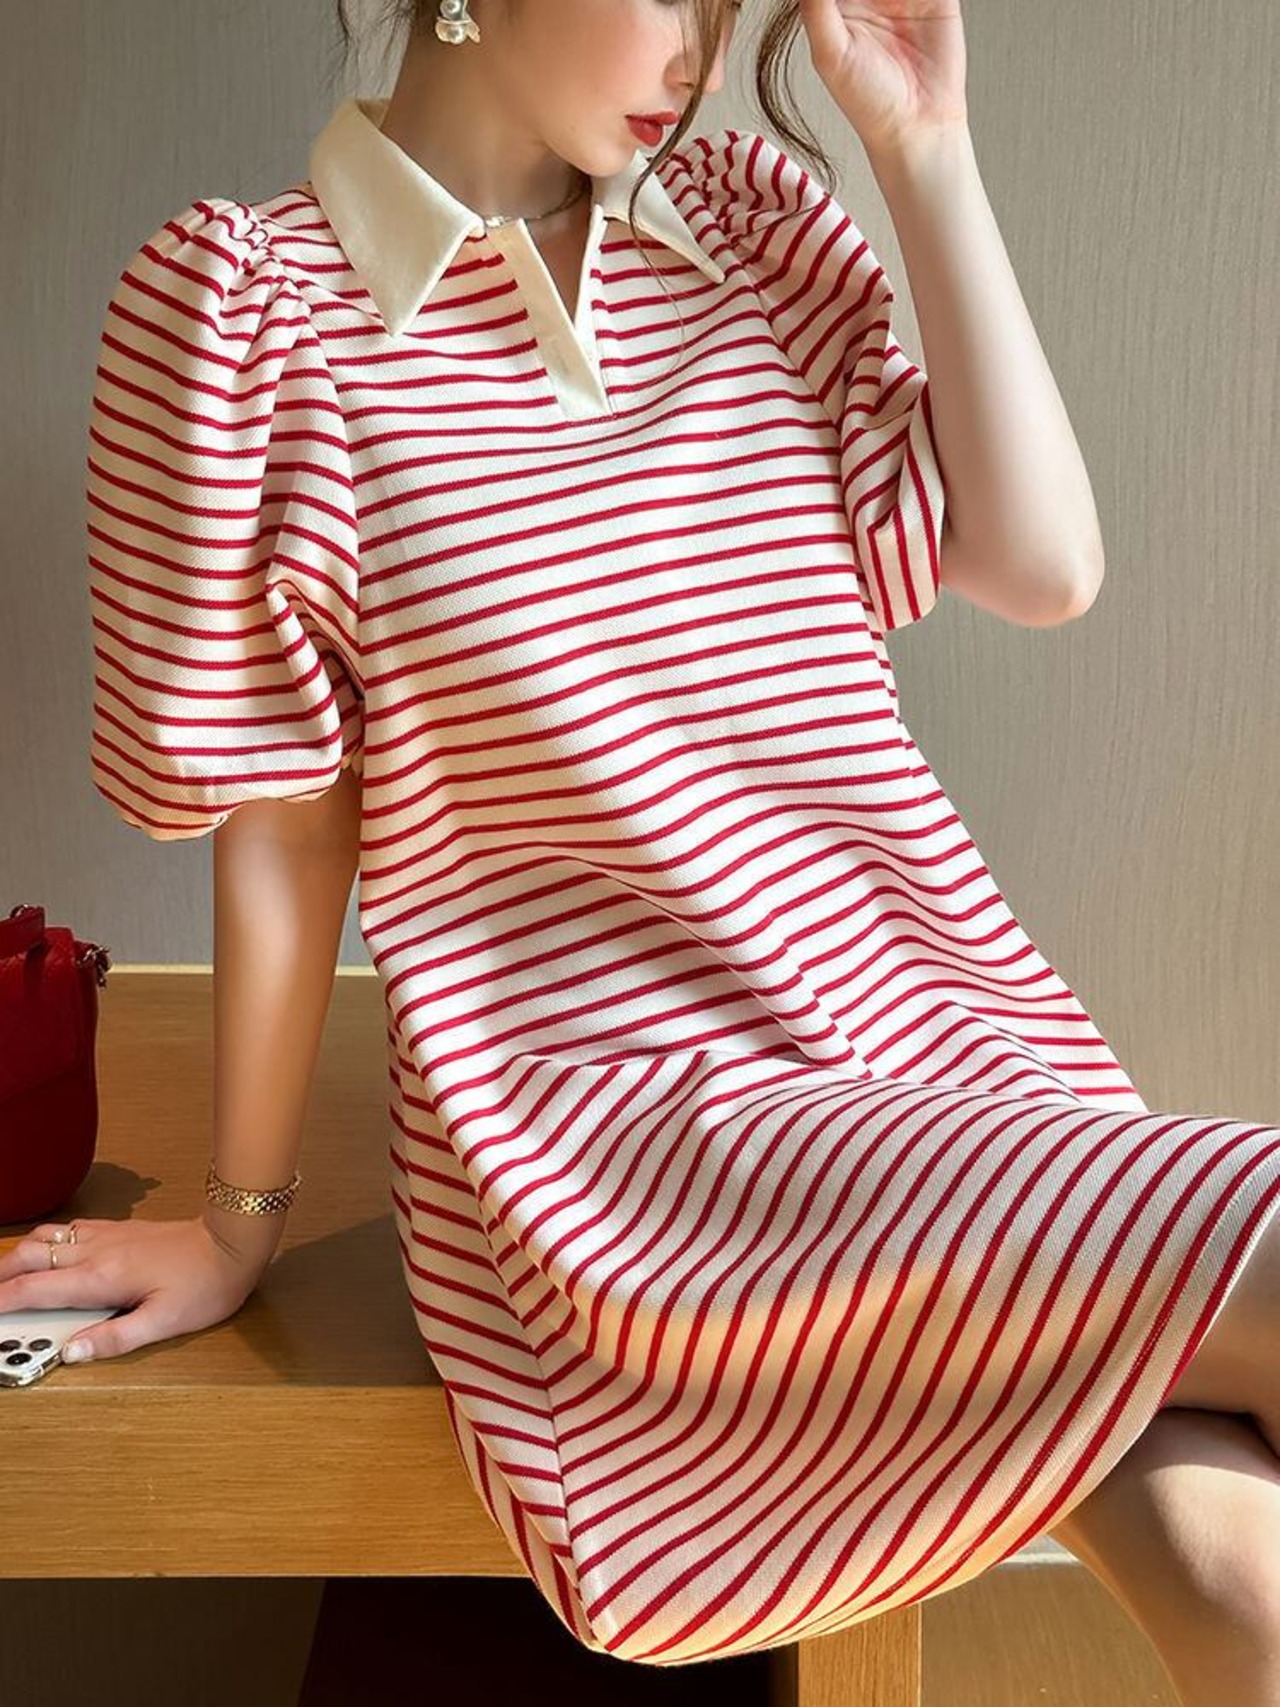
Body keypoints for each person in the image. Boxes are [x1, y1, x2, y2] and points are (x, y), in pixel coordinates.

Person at [3, 0, 1278, 1693]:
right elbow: (290, 829)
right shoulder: (254, 320)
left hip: (939, 1050)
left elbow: (1044, 564)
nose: (706, 51)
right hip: (629, 1144)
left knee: (1243, 1580)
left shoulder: (748, 237)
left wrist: (925, 148)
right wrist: (240, 1222)